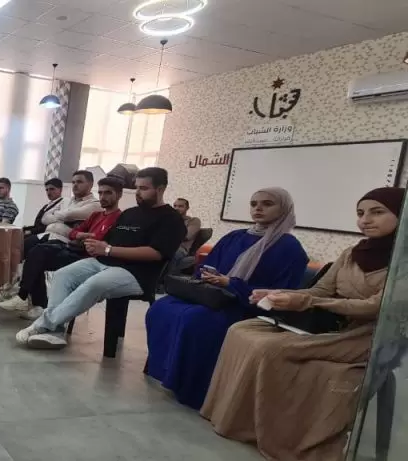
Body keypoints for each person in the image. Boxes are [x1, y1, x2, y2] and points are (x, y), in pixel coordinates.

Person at [200, 187, 404, 461]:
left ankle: (284, 435)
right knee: (241, 330)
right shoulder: (352, 253)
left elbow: (376, 307)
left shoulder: (404, 261)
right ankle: (242, 422)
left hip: (371, 335)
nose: (365, 220)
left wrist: (309, 302)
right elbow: (320, 290)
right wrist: (277, 294)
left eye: (377, 212)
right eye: (360, 213)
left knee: (271, 348)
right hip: (331, 322)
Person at [145, 187, 308, 410]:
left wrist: (231, 283)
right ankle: (164, 371)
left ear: (284, 208)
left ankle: (191, 387)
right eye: (254, 204)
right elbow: (207, 265)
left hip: (245, 306)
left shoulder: (290, 248)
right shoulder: (235, 236)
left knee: (195, 320)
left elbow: (281, 292)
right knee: (162, 307)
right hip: (213, 296)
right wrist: (208, 275)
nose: (258, 208)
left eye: (267, 204)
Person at [15, 167, 186, 349]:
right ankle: (55, 331)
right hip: (103, 262)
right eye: (137, 187)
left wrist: (108, 250)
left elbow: (155, 253)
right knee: (62, 275)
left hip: (137, 273)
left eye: (144, 188)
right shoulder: (129, 214)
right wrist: (95, 244)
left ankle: (42, 325)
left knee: (93, 284)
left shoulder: (171, 219)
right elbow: (107, 241)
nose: (138, 193)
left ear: (160, 189)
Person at [0, 177, 124, 318]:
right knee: (36, 253)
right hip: (74, 248)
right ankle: (33, 302)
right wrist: (79, 235)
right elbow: (73, 232)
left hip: (89, 257)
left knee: (38, 252)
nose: (103, 197)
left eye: (108, 193)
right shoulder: (96, 215)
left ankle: (24, 296)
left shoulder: (119, 218)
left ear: (119, 194)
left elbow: (100, 240)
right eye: (100, 193)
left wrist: (84, 236)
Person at [173, 198, 202, 263]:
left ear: (187, 208)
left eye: (180, 206)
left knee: (169, 254)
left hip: (180, 249)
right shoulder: (170, 220)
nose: (176, 208)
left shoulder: (193, 221)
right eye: (175, 206)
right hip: (166, 246)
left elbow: (186, 236)